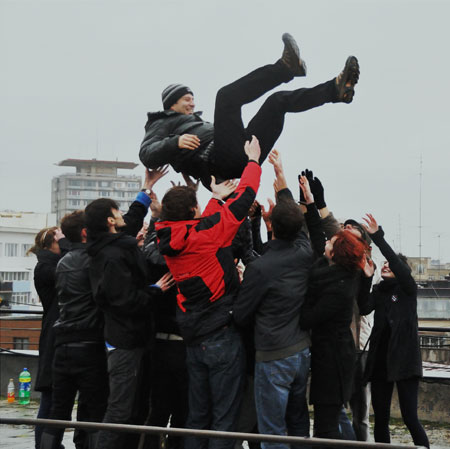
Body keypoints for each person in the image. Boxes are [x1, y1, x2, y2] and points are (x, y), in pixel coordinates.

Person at [140, 33, 359, 188]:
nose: (193, 104)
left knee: (277, 102)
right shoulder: (163, 122)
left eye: (193, 100)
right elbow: (147, 154)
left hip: (241, 154)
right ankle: (285, 68)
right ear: (171, 104)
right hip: (217, 160)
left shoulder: (195, 123)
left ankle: (335, 91)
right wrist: (175, 142)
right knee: (225, 97)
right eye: (187, 100)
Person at [155, 136, 262, 449]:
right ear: (192, 210)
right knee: (224, 420)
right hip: (221, 334)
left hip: (192, 337)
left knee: (198, 416)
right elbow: (245, 200)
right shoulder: (207, 232)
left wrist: (215, 198)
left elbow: (201, 228)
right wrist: (253, 163)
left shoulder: (168, 239)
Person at [233, 152, 323, 449]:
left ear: (271, 224)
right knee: (298, 422)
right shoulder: (304, 251)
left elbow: (242, 314)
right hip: (302, 352)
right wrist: (283, 180)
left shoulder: (260, 268)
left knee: (272, 430)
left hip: (273, 354)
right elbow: (297, 221)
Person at [86, 168, 174, 449]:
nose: (122, 215)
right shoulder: (112, 256)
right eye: (116, 211)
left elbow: (132, 221)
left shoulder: (111, 246)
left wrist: (146, 191)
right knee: (120, 409)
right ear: (111, 221)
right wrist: (155, 290)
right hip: (124, 341)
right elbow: (125, 301)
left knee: (133, 409)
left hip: (129, 338)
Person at [359, 214, 430, 448]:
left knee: (410, 418)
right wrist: (366, 279)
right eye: (384, 265)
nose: (386, 265)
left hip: (405, 361)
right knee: (380, 419)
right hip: (380, 361)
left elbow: (397, 264)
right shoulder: (379, 291)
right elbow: (363, 307)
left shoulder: (408, 289)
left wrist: (378, 237)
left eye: (391, 264)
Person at [39, 210, 108, 449]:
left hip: (63, 344)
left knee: (58, 411)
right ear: (86, 233)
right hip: (89, 343)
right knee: (96, 410)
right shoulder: (94, 260)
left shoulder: (62, 262)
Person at [299, 228, 371, 442]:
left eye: (331, 242)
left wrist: (303, 298)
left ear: (336, 254)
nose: (327, 242)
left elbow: (307, 318)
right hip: (330, 357)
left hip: (334, 362)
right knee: (328, 421)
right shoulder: (331, 275)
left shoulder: (339, 287)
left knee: (326, 426)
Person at [28, 226, 68, 449]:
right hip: (54, 338)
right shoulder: (46, 268)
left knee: (53, 398)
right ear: (51, 244)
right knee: (50, 397)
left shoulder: (49, 265)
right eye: (60, 239)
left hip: (54, 335)